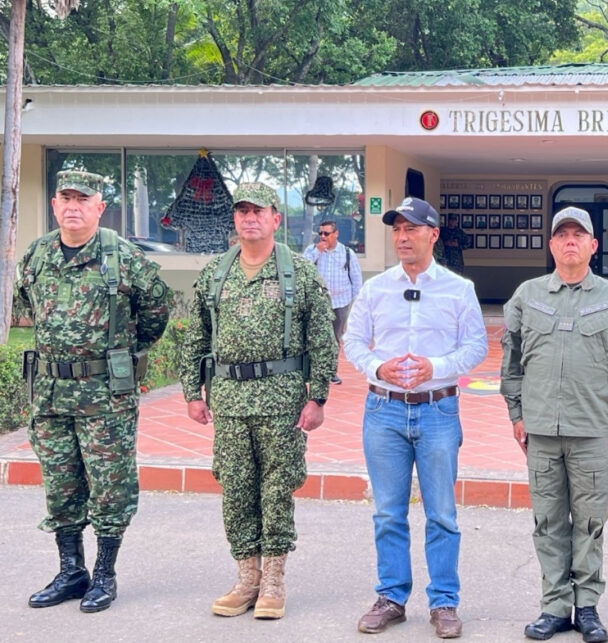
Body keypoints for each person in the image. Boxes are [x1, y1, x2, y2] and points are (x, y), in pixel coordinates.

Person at [180, 182, 337, 620]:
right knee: (235, 489)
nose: (250, 218)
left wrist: (318, 397)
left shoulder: (299, 273)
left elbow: (322, 340)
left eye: (258, 211)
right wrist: (193, 393)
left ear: (275, 218)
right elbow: (196, 337)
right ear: (234, 219)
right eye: (242, 211)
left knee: (277, 488)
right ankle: (246, 575)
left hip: (281, 399)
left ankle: (273, 580)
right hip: (229, 400)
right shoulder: (215, 272)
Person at [16, 169, 171, 612]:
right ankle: (71, 571)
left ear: (99, 207)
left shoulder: (123, 256)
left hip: (105, 395)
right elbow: (28, 306)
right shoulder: (37, 256)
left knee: (110, 485)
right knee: (62, 485)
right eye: (65, 198)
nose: (72, 206)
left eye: (82, 200)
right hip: (49, 393)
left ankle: (104, 573)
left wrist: (123, 352)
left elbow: (155, 310)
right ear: (53, 204)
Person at [344, 196, 487, 639]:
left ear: (433, 235)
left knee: (442, 513)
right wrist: (377, 368)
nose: (403, 237)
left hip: (438, 411)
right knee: (388, 512)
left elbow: (476, 346)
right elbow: (353, 342)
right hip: (383, 410)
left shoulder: (458, 288)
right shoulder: (375, 288)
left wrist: (436, 367)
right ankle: (391, 597)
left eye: (412, 228)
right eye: (397, 229)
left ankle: (444, 602)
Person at [501, 206, 608, 643]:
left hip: (591, 430)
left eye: (578, 235)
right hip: (541, 430)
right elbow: (511, 363)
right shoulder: (526, 296)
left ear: (592, 245)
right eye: (561, 234)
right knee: (548, 521)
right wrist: (516, 414)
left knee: (589, 522)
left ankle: (587, 608)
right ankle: (554, 606)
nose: (569, 241)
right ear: (550, 245)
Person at [303, 219, 363, 384]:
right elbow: (302, 268)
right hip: (318, 301)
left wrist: (357, 302)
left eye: (327, 234)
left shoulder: (347, 253)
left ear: (335, 234)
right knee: (315, 337)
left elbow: (356, 278)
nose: (323, 237)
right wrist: (316, 251)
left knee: (335, 338)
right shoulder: (312, 250)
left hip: (341, 301)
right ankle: (314, 371)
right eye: (321, 233)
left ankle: (331, 371)